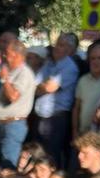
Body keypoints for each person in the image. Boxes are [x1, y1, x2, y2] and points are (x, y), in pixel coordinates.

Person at [33, 32, 79, 167]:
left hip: (56, 118)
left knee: (51, 156)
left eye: (62, 45)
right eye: (57, 44)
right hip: (40, 116)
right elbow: (33, 86)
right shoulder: (49, 64)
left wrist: (42, 86)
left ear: (70, 50)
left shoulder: (69, 67)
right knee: (38, 154)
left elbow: (49, 88)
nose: (57, 48)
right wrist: (42, 86)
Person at [0, 39, 36, 168]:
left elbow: (13, 96)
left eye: (7, 54)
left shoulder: (24, 73)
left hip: (13, 126)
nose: (5, 57)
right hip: (3, 125)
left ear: (16, 55)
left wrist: (4, 79)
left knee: (8, 166)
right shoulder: (13, 72)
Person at [72, 42, 100, 138]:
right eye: (92, 58)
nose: (96, 62)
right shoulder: (83, 80)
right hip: (84, 133)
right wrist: (74, 130)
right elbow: (76, 108)